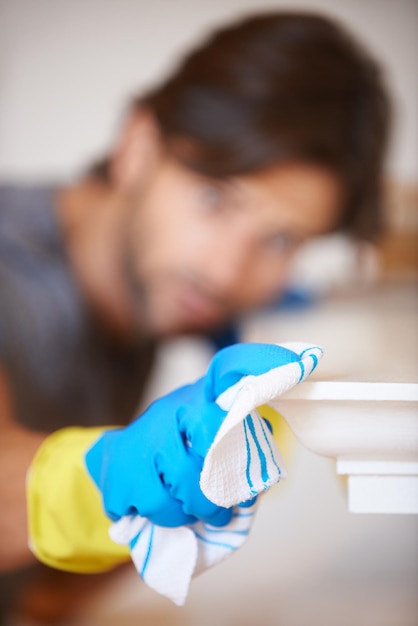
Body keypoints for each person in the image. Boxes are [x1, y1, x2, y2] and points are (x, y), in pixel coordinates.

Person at [0, 10, 390, 623]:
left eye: (282, 240)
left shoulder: (152, 296)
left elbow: (44, 601)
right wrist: (97, 483)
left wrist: (198, 487)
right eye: (216, 199)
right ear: (137, 146)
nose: (228, 271)